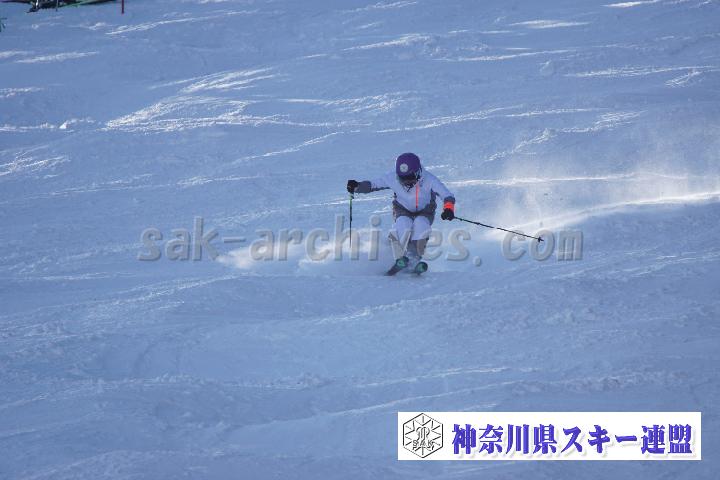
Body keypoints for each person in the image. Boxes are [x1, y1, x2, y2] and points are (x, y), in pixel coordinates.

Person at [347, 152, 455, 271]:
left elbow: (447, 195)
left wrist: (448, 209)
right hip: (403, 209)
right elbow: (373, 184)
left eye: (410, 178)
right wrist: (357, 186)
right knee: (403, 223)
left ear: (418, 172)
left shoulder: (429, 180)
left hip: (425, 211)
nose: (406, 182)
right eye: (403, 178)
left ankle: (414, 257)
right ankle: (398, 257)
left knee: (421, 225)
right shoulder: (392, 178)